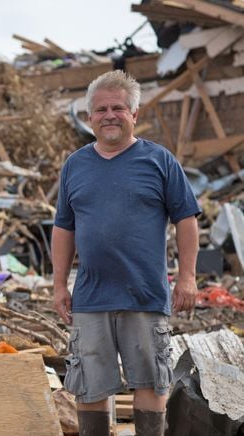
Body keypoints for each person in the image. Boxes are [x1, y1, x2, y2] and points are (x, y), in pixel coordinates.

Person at [51, 70, 200, 436]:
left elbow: (186, 219)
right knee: (89, 385)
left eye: (118, 107)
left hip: (145, 294)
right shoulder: (75, 165)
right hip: (90, 297)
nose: (109, 115)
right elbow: (63, 228)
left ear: (134, 114)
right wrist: (58, 284)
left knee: (151, 383)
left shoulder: (159, 161)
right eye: (101, 109)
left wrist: (187, 277)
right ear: (90, 118)